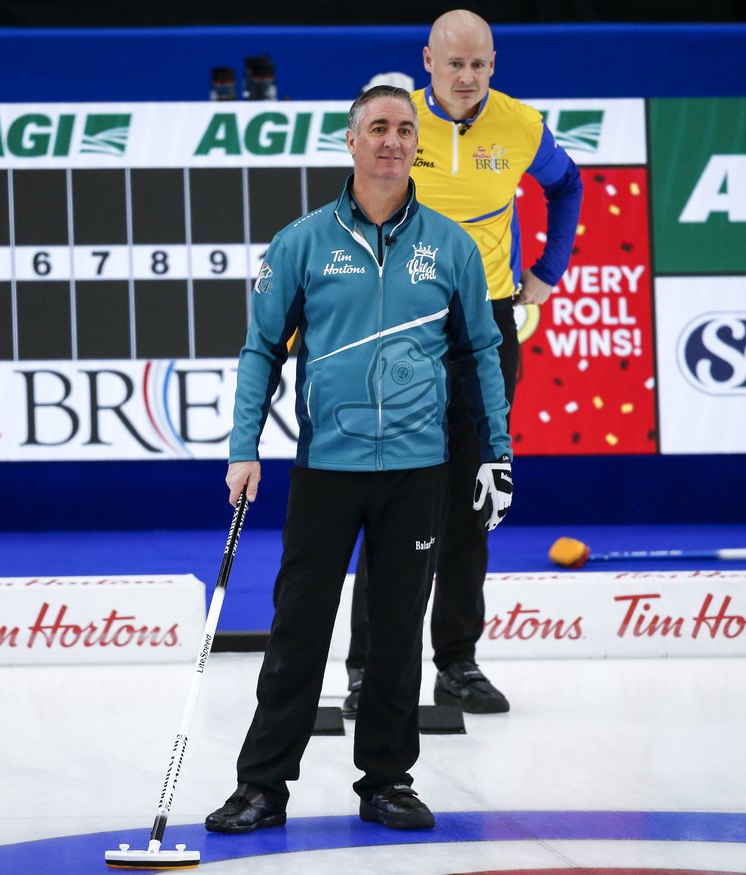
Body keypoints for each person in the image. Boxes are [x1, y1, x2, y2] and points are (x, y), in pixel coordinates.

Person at [206, 84, 513, 834]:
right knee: (299, 628)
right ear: (352, 141)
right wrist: (244, 448)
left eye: (405, 129)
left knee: (398, 632)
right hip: (327, 468)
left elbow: (481, 352)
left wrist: (496, 452)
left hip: (419, 469)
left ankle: (387, 781)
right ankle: (262, 786)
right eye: (378, 127)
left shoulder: (451, 246)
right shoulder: (303, 242)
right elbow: (260, 350)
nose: (392, 140)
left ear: (417, 145)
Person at [343, 9, 583, 718]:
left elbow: (567, 185)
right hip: (401, 330)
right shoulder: (398, 126)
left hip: (486, 329)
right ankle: (369, 668)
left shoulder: (521, 126)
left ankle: (457, 663)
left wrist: (549, 271)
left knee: (474, 498)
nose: (468, 77)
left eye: (479, 64)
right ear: (428, 62)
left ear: (493, 65)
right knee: (390, 498)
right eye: (455, 64)